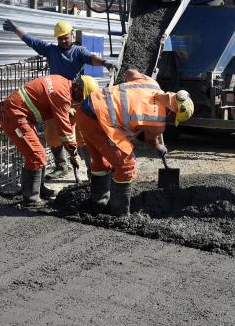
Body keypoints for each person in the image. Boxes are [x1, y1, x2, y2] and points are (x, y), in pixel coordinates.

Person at [3, 19, 116, 181]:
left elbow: (90, 58)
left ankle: (93, 168)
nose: (63, 40)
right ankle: (61, 165)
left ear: (72, 34)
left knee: (81, 133)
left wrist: (105, 63)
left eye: (66, 37)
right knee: (52, 133)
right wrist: (16, 29)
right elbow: (31, 41)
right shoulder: (51, 51)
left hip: (75, 96)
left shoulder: (78, 51)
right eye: (60, 38)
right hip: (53, 96)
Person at [75, 69, 194, 216]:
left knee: (102, 162)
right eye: (172, 119)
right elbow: (150, 141)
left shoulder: (151, 83)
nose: (169, 122)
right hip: (99, 122)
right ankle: (119, 214)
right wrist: (159, 147)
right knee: (127, 165)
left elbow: (129, 72)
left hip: (85, 110)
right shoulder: (157, 123)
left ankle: (98, 205)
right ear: (172, 111)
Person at [0, 74, 86, 206]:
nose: (80, 101)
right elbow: (64, 131)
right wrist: (74, 154)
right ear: (77, 88)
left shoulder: (62, 82)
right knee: (36, 154)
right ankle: (31, 199)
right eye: (82, 97)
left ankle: (39, 189)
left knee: (39, 153)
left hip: (21, 114)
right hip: (14, 116)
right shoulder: (62, 95)